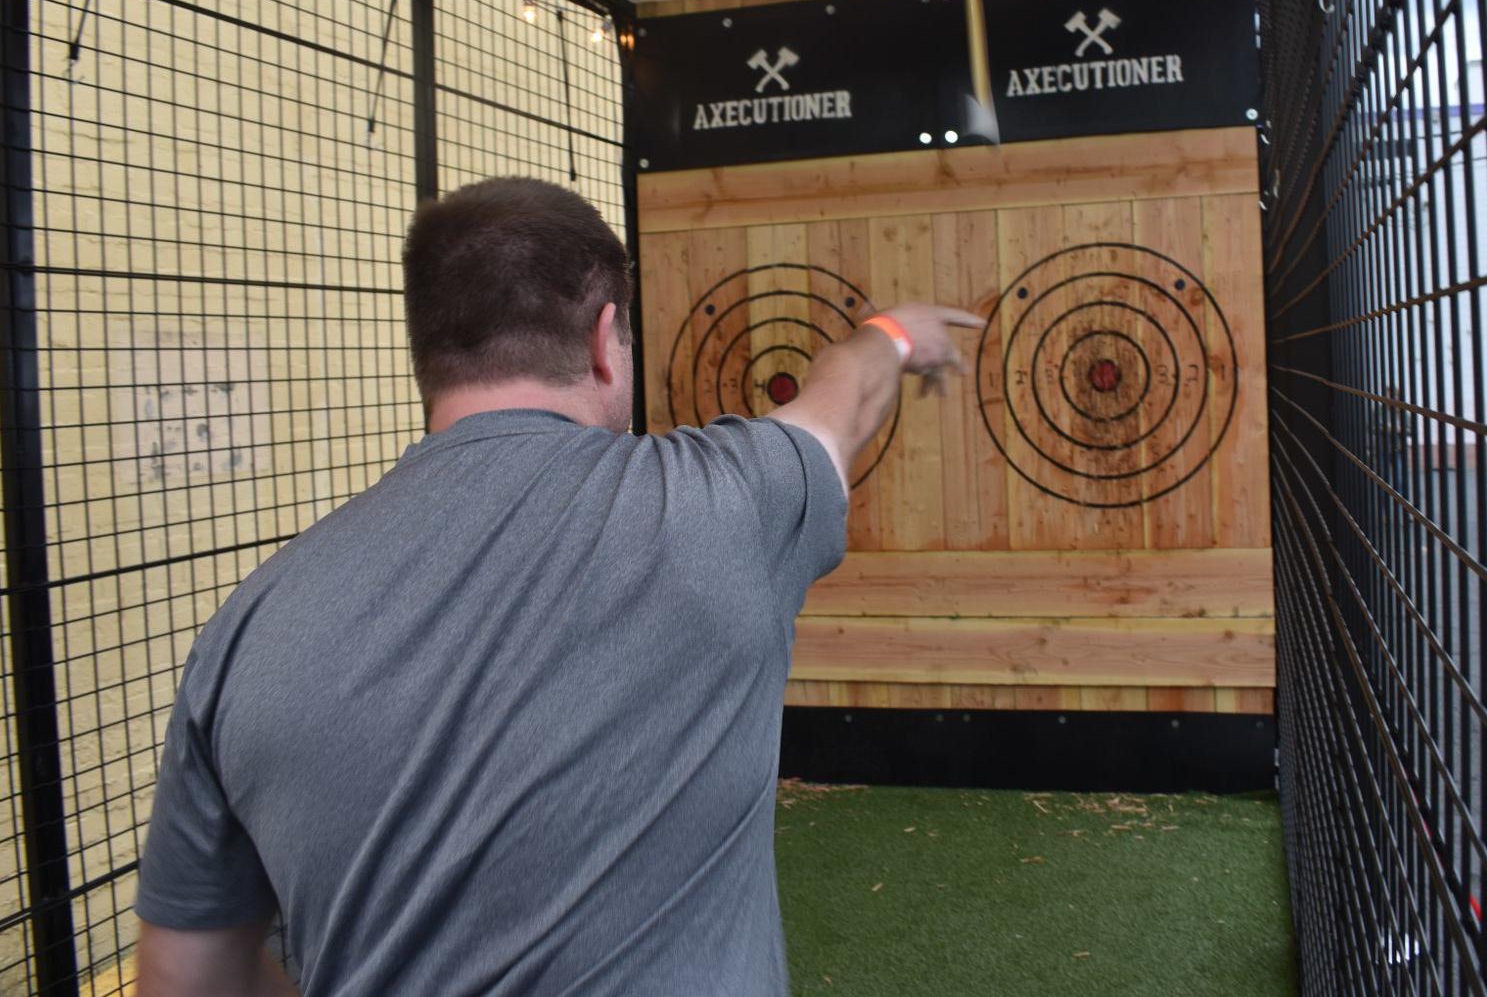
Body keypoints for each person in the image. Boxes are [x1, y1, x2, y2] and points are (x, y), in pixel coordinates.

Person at [132, 177, 983, 997]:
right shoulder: (724, 501)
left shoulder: (248, 623)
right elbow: (844, 396)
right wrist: (895, 333)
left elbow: (187, 977)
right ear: (602, 338)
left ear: (429, 356)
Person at [1375, 384, 1411, 498]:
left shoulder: (1402, 412)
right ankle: (1384, 511)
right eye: (1387, 394)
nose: (1390, 397)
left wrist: (1399, 430)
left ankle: (1400, 505)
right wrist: (1387, 428)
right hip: (1383, 447)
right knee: (1383, 479)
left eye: (1392, 395)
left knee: (1399, 479)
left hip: (1398, 448)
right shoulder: (1380, 411)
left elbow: (1410, 431)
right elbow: (1373, 427)